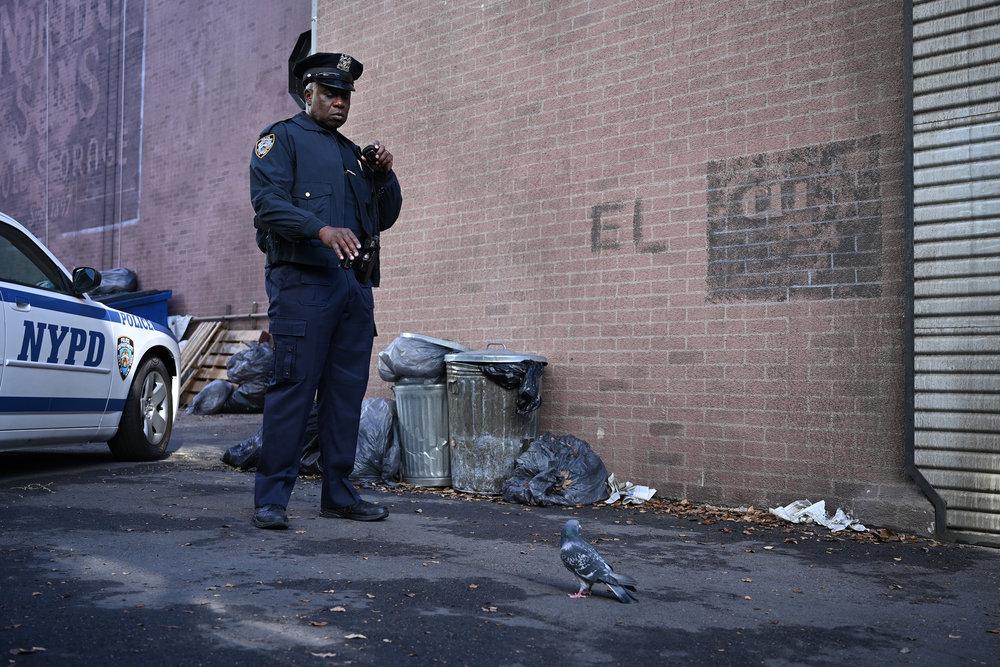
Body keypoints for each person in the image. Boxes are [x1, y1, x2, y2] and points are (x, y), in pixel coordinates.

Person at [248, 51, 402, 529]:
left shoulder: (352, 156)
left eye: (346, 96)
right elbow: (267, 205)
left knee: (344, 395)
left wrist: (383, 176)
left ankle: (338, 491)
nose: (340, 103)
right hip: (303, 285)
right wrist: (320, 230)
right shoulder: (282, 140)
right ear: (308, 93)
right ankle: (271, 498)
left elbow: (385, 218)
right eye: (331, 94)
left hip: (353, 290)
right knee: (294, 389)